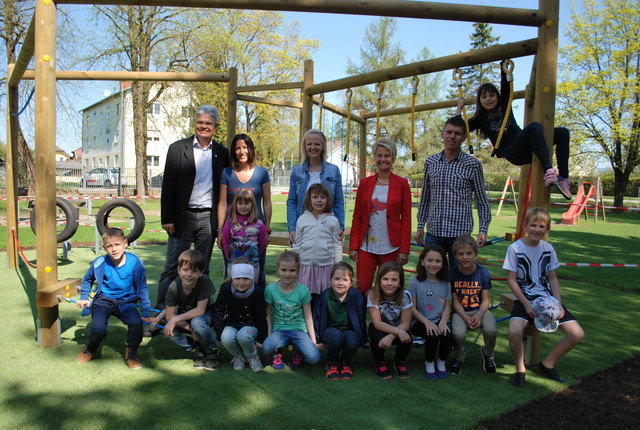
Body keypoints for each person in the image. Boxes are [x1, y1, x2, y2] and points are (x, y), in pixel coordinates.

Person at [457, 60, 572, 199]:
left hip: (529, 146)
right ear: (479, 100)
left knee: (562, 133)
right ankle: (549, 171)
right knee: (534, 127)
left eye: (492, 95)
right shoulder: (480, 118)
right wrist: (459, 109)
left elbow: (505, 85)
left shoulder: (504, 106)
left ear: (497, 97)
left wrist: (503, 62)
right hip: (512, 153)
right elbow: (458, 127)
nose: (488, 99)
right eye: (484, 96)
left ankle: (564, 178)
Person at [157, 105, 230, 310]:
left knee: (202, 268)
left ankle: (200, 311)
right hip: (183, 216)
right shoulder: (178, 148)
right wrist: (167, 218)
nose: (203, 126)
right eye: (200, 122)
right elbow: (168, 186)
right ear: (195, 124)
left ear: (215, 126)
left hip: (208, 217)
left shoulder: (222, 153)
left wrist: (221, 224)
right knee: (172, 267)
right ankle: (159, 312)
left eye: (208, 123)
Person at [503, 207, 584, 388]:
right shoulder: (514, 248)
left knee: (577, 334)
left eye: (542, 226)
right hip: (524, 298)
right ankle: (520, 369)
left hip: (547, 299)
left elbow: (553, 278)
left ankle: (547, 364)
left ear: (547, 229)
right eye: (533, 225)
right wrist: (525, 304)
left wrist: (558, 304)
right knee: (514, 332)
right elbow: (511, 280)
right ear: (525, 226)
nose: (537, 229)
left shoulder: (548, 248)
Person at [415, 116, 491, 266]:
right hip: (434, 232)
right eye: (449, 132)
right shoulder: (431, 162)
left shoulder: (472, 164)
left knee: (459, 277)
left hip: (460, 234)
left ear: (464, 137)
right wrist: (420, 226)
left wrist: (483, 230)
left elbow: (482, 200)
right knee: (432, 276)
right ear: (442, 134)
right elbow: (425, 198)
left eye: (457, 133)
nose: (452, 136)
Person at [76, 227, 152, 369]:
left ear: (125, 243)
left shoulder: (135, 262)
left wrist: (146, 309)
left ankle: (132, 351)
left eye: (117, 245)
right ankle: (91, 347)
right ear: (105, 248)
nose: (114, 249)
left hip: (126, 301)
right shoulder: (99, 262)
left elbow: (142, 286)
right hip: (104, 300)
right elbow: (87, 280)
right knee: (98, 328)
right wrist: (84, 297)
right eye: (109, 246)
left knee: (136, 323)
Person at [349, 138, 412, 295]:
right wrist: (353, 245)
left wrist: (404, 249)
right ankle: (359, 319)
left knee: (389, 289)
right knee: (362, 288)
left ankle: (384, 320)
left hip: (391, 246)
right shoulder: (365, 183)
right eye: (379, 155)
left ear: (393, 158)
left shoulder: (402, 184)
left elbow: (406, 218)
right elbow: (357, 217)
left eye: (387, 155)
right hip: (366, 246)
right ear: (374, 158)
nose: (383, 159)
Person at [217, 133, 272, 286]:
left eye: (245, 147)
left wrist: (266, 229)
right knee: (232, 272)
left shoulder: (262, 173)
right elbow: (222, 203)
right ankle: (229, 307)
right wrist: (220, 231)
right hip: (232, 232)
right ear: (233, 151)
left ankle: (259, 308)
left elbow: (267, 202)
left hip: (255, 232)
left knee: (257, 273)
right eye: (237, 148)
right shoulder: (227, 173)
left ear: (251, 149)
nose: (242, 151)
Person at [261, 251, 321, 370]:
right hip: (280, 330)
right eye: (283, 270)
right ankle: (276, 354)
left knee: (314, 358)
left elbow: (308, 316)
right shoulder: (270, 290)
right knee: (266, 348)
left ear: (298, 272)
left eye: (292, 270)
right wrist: (269, 335)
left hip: (299, 330)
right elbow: (267, 314)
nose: (287, 274)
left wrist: (313, 340)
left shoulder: (303, 290)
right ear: (278, 269)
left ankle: (299, 353)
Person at [162, 250, 219, 371]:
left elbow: (200, 310)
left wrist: (176, 319)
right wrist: (190, 330)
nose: (189, 274)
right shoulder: (173, 287)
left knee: (197, 322)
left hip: (206, 315)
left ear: (201, 273)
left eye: (194, 271)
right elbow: (169, 315)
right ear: (178, 270)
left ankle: (211, 351)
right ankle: (197, 348)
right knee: (169, 330)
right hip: (187, 318)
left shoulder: (204, 281)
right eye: (185, 270)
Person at [287, 129, 345, 245]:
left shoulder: (333, 170)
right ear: (304, 147)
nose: (313, 147)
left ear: (323, 147)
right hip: (303, 226)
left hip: (327, 226)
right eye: (309, 144)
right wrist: (292, 228)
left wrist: (340, 226)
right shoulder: (297, 171)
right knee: (303, 260)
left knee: (327, 259)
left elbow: (338, 201)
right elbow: (292, 202)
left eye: (317, 144)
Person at [449, 234, 497, 375]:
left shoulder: (483, 273)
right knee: (458, 333)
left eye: (469, 253)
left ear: (475, 253)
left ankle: (488, 353)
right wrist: (465, 317)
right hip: (461, 312)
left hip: (479, 310)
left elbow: (485, 300)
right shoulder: (452, 274)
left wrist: (479, 314)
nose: (465, 257)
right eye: (461, 254)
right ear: (456, 256)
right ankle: (458, 356)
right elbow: (455, 301)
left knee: (491, 329)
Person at [313, 262, 367, 381]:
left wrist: (364, 339)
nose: (340, 283)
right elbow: (317, 318)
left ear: (350, 282)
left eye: (345, 279)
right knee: (336, 336)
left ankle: (345, 363)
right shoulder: (325, 296)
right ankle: (332, 363)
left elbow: (361, 319)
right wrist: (317, 340)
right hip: (330, 330)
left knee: (353, 339)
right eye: (336, 279)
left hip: (348, 330)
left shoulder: (356, 295)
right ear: (330, 280)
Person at [408, 244, 455, 379]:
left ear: (442, 264)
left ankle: (441, 362)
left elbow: (447, 306)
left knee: (448, 337)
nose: (433, 264)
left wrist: (444, 322)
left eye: (438, 261)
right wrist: (427, 323)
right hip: (419, 321)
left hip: (439, 319)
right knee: (432, 336)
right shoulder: (416, 281)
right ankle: (429, 363)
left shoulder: (446, 282)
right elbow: (412, 307)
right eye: (430, 260)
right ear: (423, 262)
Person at [213, 258, 268, 373]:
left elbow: (261, 314)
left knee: (243, 336)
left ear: (252, 278)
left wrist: (262, 338)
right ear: (232, 278)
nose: (241, 282)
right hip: (232, 322)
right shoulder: (226, 288)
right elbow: (219, 309)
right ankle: (238, 357)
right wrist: (219, 332)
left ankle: (252, 357)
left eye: (246, 278)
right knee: (226, 338)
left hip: (251, 324)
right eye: (237, 278)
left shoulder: (257, 291)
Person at [293, 183, 343, 306]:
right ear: (309, 199)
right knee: (306, 299)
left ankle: (322, 323)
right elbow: (298, 243)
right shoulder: (302, 219)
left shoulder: (333, 220)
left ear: (328, 199)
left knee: (324, 299)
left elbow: (337, 244)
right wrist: (295, 264)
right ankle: (307, 323)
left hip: (326, 267)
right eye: (315, 197)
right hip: (306, 266)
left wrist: (337, 266)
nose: (319, 200)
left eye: (323, 197)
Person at [367, 261, 413, 380]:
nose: (389, 283)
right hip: (380, 327)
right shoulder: (373, 294)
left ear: (400, 283)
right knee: (377, 338)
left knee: (407, 338)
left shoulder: (405, 295)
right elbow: (377, 323)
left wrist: (392, 336)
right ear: (379, 280)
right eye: (385, 279)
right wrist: (396, 333)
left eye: (394, 280)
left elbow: (406, 323)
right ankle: (379, 362)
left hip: (399, 327)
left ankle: (399, 362)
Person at [219, 189, 268, 283]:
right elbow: (225, 241)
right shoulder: (230, 223)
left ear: (252, 204)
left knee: (252, 288)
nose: (243, 206)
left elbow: (262, 243)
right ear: (235, 205)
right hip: (234, 263)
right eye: (240, 203)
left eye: (246, 203)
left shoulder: (259, 224)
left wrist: (256, 256)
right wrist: (229, 256)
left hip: (253, 264)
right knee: (233, 287)